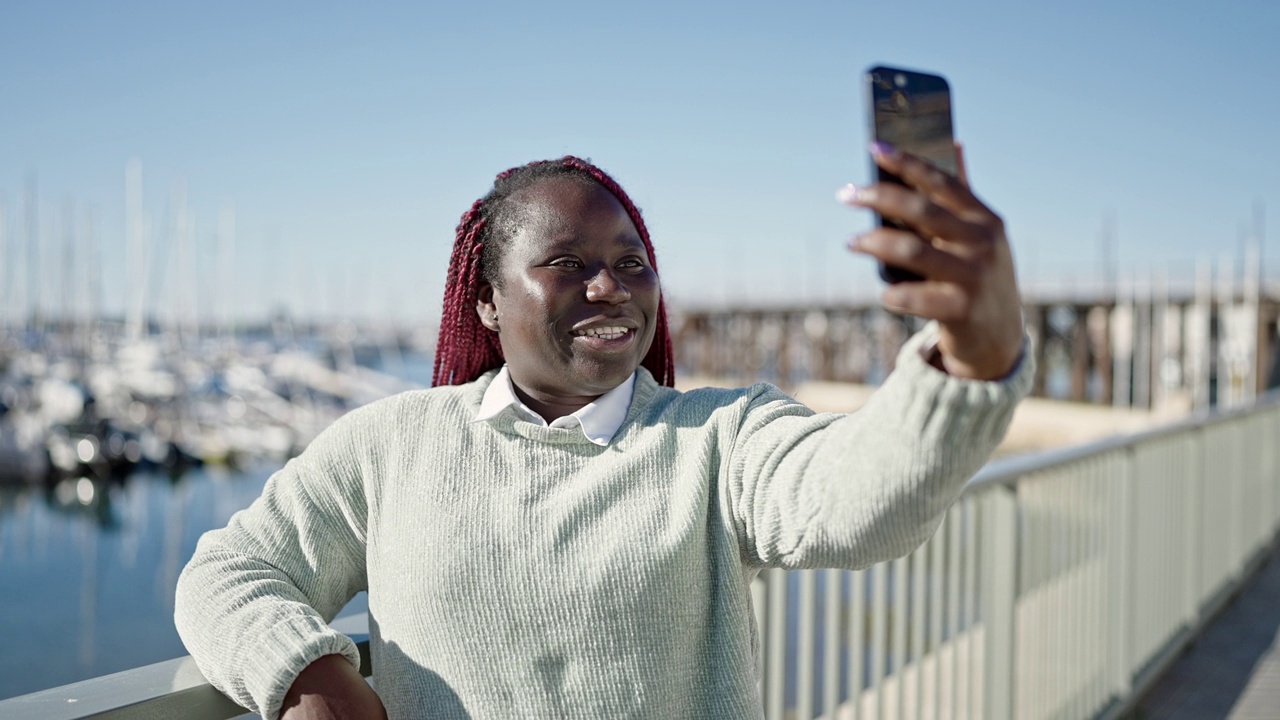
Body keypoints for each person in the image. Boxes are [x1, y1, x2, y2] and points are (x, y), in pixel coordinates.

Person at [175, 146, 1031, 720]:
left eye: (630, 264)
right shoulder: (390, 445)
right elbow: (229, 572)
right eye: (566, 265)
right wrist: (311, 674)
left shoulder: (716, 438)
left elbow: (857, 501)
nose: (610, 288)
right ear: (486, 300)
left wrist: (971, 361)